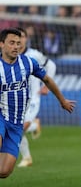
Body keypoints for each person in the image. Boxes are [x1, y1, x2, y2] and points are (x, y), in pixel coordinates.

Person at [0, 28, 76, 178]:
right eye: (12, 43)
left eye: (18, 43)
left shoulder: (28, 62)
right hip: (1, 116)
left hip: (16, 123)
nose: (16, 46)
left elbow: (47, 79)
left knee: (4, 171)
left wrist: (62, 100)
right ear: (1, 44)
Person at [15, 27, 57, 167]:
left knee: (18, 130)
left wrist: (46, 86)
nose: (19, 41)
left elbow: (51, 65)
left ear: (26, 39)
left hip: (32, 99)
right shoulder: (7, 56)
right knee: (15, 130)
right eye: (16, 38)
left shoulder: (34, 54)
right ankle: (34, 127)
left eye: (21, 37)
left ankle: (26, 158)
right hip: (15, 100)